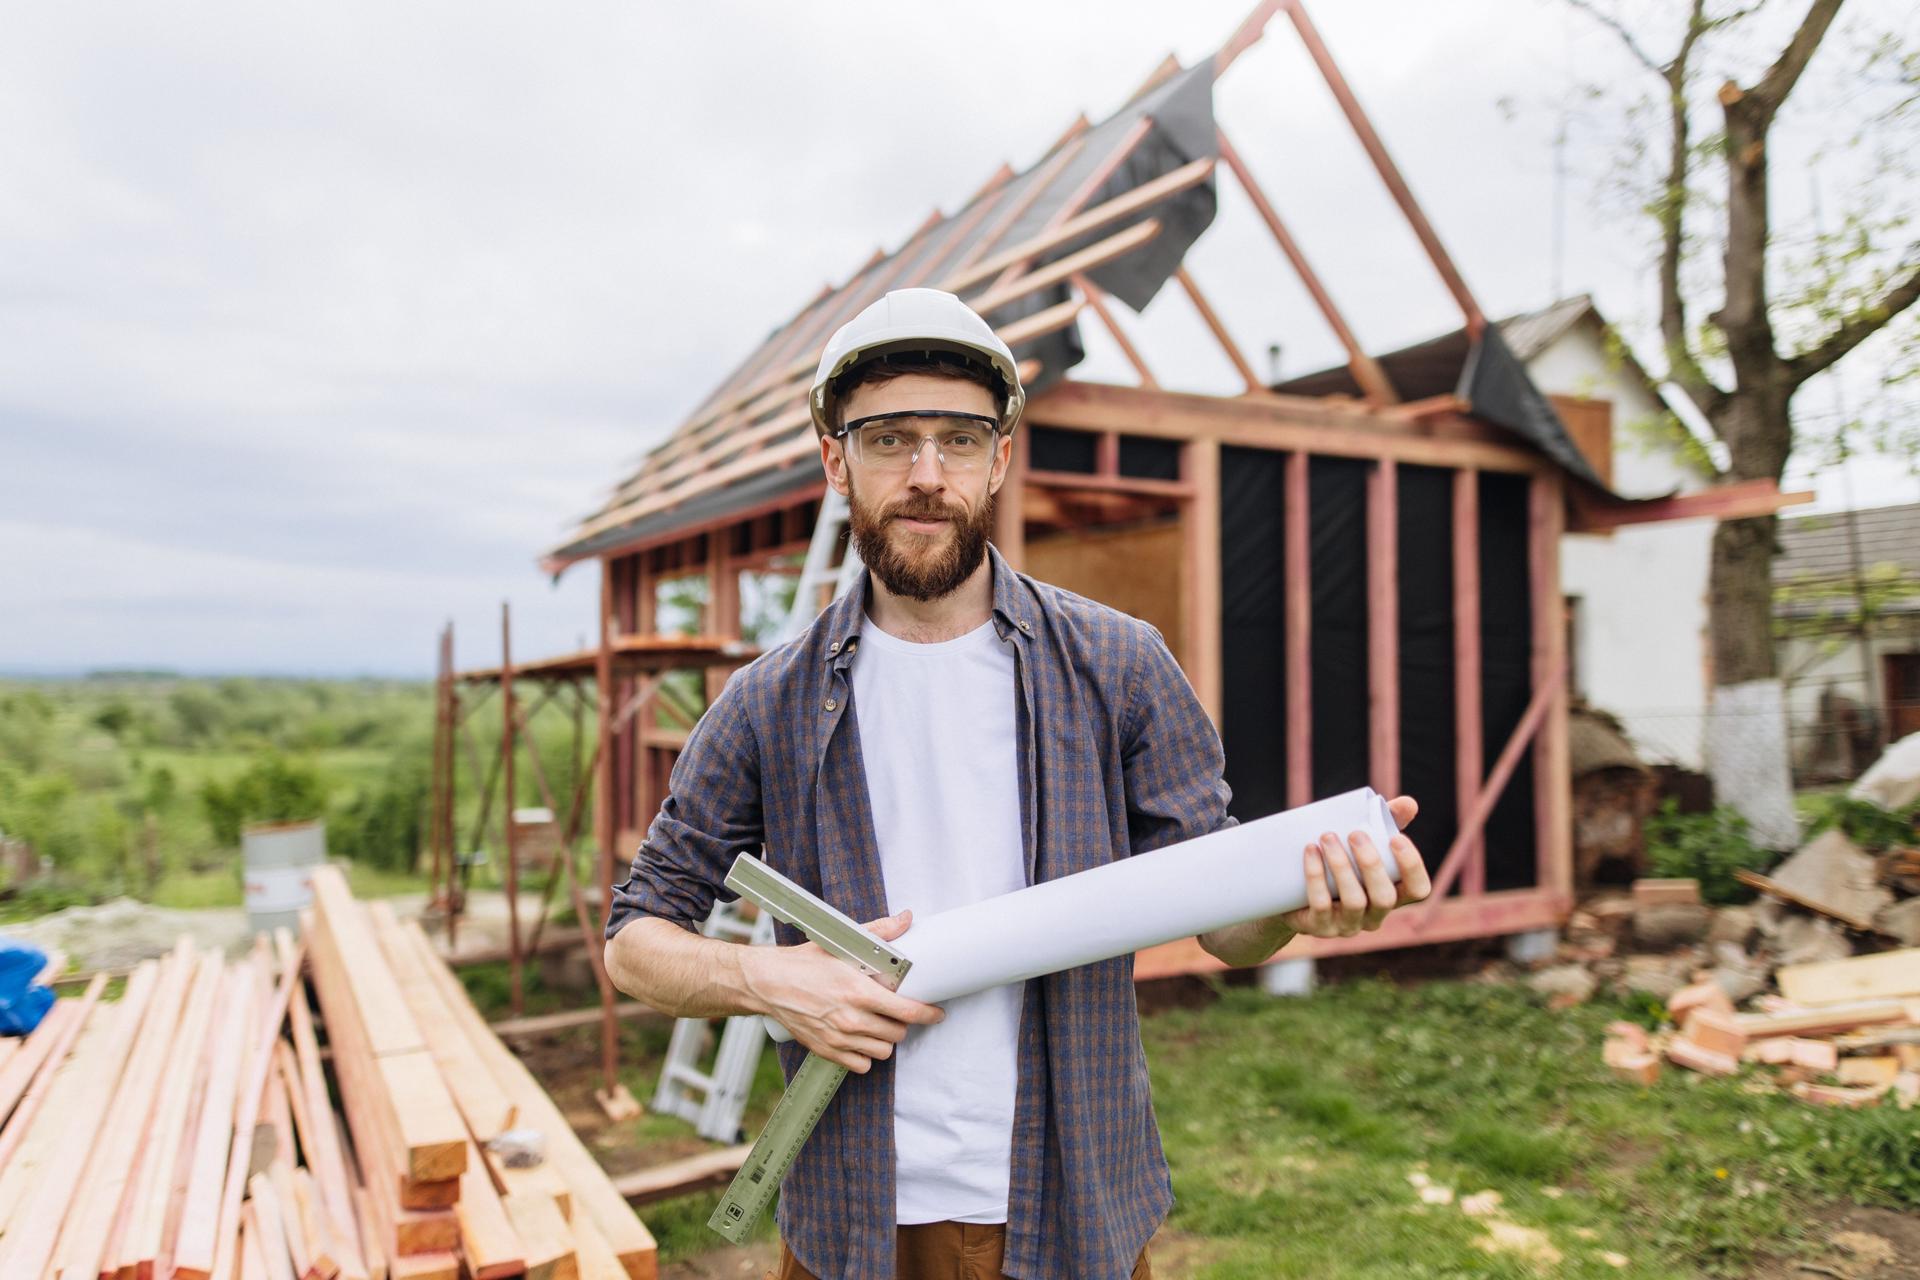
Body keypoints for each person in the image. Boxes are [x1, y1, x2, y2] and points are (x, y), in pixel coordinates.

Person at [603, 288, 1434, 1280]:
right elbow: (635, 939)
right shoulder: (767, 703)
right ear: (837, 463)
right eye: (888, 440)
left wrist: (1296, 903)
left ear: (1000, 458)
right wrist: (770, 980)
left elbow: (1223, 922)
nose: (925, 474)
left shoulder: (1119, 665)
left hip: (1069, 1202)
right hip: (855, 1218)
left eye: (958, 440)